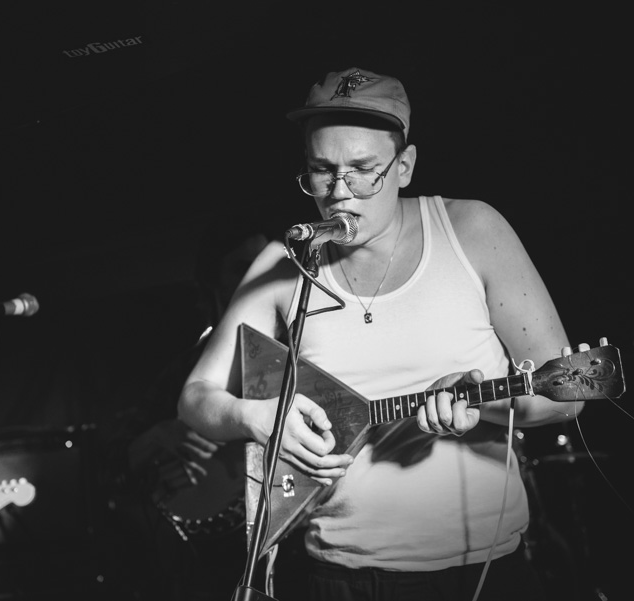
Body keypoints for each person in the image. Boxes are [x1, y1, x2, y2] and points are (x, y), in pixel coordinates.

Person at [177, 67, 583, 601]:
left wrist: (481, 403)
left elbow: (569, 394)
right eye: (322, 171)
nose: (340, 194)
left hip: (481, 571)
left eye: (364, 170)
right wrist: (256, 418)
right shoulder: (284, 263)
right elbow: (195, 398)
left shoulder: (472, 230)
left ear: (404, 166)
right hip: (338, 574)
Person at [101, 224, 270, 600]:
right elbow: (113, 458)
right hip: (211, 567)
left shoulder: (297, 353)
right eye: (241, 267)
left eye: (262, 264)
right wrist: (159, 438)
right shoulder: (186, 368)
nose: (255, 276)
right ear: (213, 283)